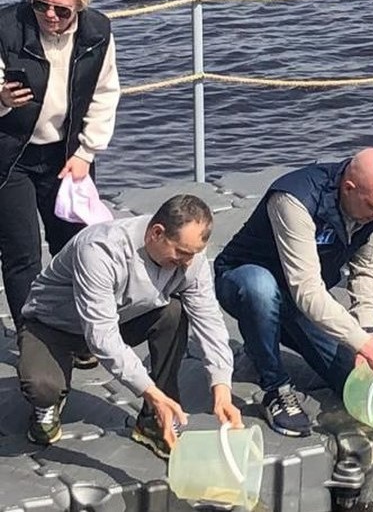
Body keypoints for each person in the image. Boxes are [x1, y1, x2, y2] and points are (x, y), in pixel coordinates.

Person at [18, 194, 242, 456]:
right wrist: (149, 392)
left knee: (173, 312)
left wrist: (222, 387)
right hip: (53, 325)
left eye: (194, 254)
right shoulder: (100, 249)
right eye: (181, 252)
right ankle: (48, 405)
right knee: (42, 388)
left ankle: (154, 420)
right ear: (156, 233)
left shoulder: (191, 258)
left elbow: (209, 320)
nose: (187, 262)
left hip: (121, 316)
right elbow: (101, 335)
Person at [213, 148, 373, 437]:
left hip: (298, 303)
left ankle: (259, 344)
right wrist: (365, 345)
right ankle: (275, 387)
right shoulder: (294, 199)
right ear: (348, 188)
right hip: (245, 280)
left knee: (352, 378)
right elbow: (307, 290)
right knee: (261, 289)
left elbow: (365, 272)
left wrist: (367, 332)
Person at [0, 0, 121, 327]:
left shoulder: (97, 32)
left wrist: (87, 152)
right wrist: (1, 99)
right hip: (11, 154)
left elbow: (105, 93)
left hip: (66, 153)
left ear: (79, 8)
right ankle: (30, 335)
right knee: (21, 252)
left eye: (61, 10)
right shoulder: (6, 27)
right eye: (41, 5)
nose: (50, 16)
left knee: (76, 245)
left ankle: (78, 326)